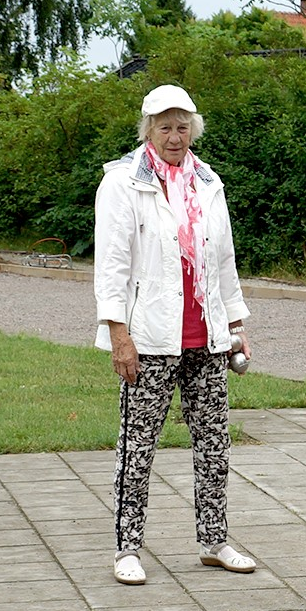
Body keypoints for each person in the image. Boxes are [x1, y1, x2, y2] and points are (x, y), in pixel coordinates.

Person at [95, 84, 256, 585]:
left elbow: (222, 261)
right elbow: (113, 267)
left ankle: (213, 539)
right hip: (148, 337)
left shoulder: (208, 181)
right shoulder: (123, 182)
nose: (174, 135)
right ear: (148, 130)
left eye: (182, 125)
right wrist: (119, 336)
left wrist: (235, 324)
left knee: (213, 444)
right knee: (137, 446)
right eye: (164, 126)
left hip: (205, 337)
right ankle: (127, 547)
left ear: (194, 129)